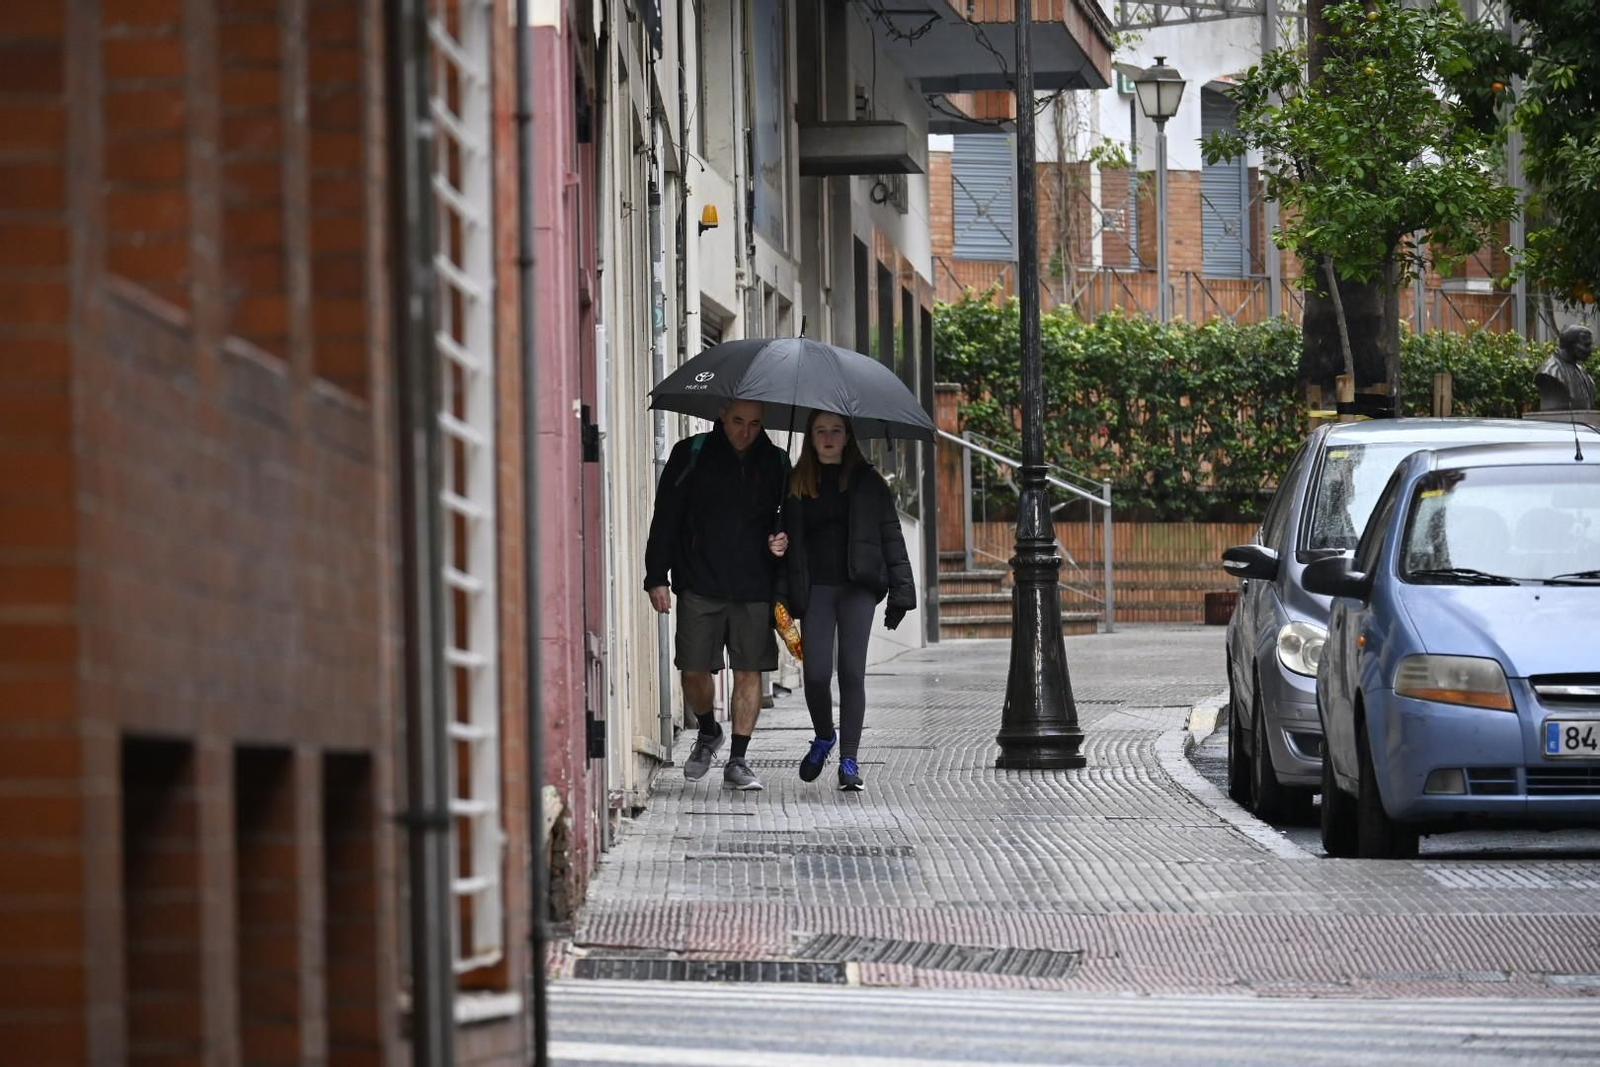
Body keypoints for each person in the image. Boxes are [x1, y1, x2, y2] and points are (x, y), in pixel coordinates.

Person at [644, 399, 791, 791]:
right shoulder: (691, 454)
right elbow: (666, 517)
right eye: (739, 421)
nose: (746, 431)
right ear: (723, 414)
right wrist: (656, 575)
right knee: (692, 669)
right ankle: (708, 731)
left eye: (756, 424)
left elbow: (789, 521)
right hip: (699, 582)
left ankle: (739, 760)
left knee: (750, 672)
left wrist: (782, 540)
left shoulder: (777, 461)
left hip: (754, 585)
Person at [774, 410, 915, 791]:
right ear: (811, 436)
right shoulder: (796, 484)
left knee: (852, 672)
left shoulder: (868, 483)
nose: (829, 437)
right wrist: (776, 548)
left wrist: (902, 591)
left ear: (847, 435)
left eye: (836, 430)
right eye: (821, 430)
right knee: (816, 675)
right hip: (815, 588)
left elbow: (891, 536)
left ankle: (849, 761)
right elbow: (783, 539)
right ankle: (824, 736)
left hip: (858, 588)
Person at [1536, 324, 1596, 412]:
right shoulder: (1550, 370)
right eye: (1586, 345)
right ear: (1570, 344)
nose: (1590, 350)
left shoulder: (1582, 372)